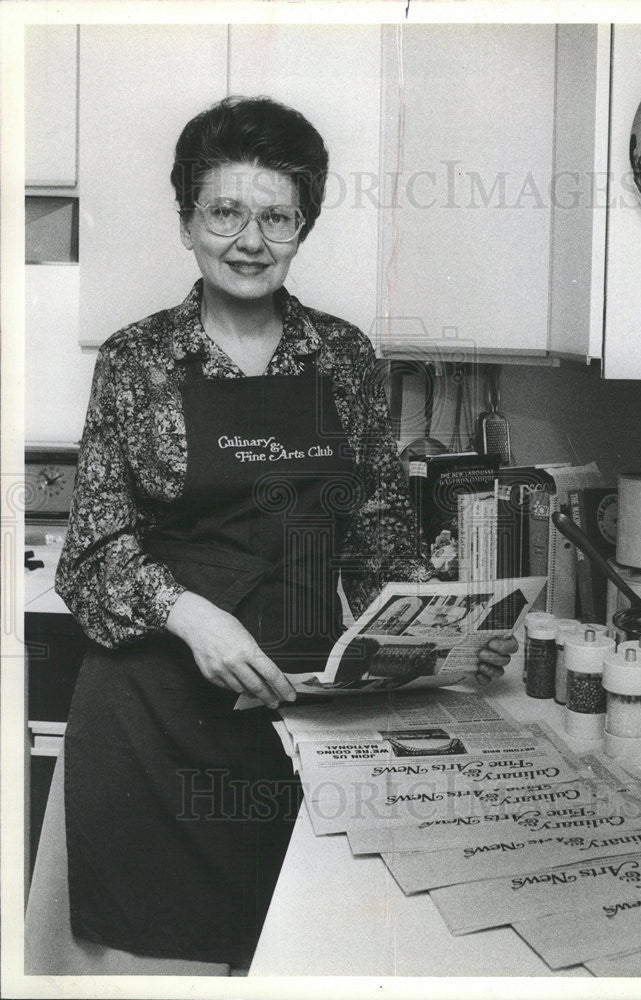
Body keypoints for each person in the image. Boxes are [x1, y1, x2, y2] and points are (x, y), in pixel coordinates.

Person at [36, 96, 517, 973]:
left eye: (276, 216)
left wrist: (435, 638)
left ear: (304, 225)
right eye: (224, 212)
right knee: (155, 968)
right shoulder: (139, 360)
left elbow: (376, 531)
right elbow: (95, 551)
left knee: (292, 949)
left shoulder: (344, 357)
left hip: (295, 715)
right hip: (152, 719)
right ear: (186, 220)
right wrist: (194, 616)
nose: (249, 240)